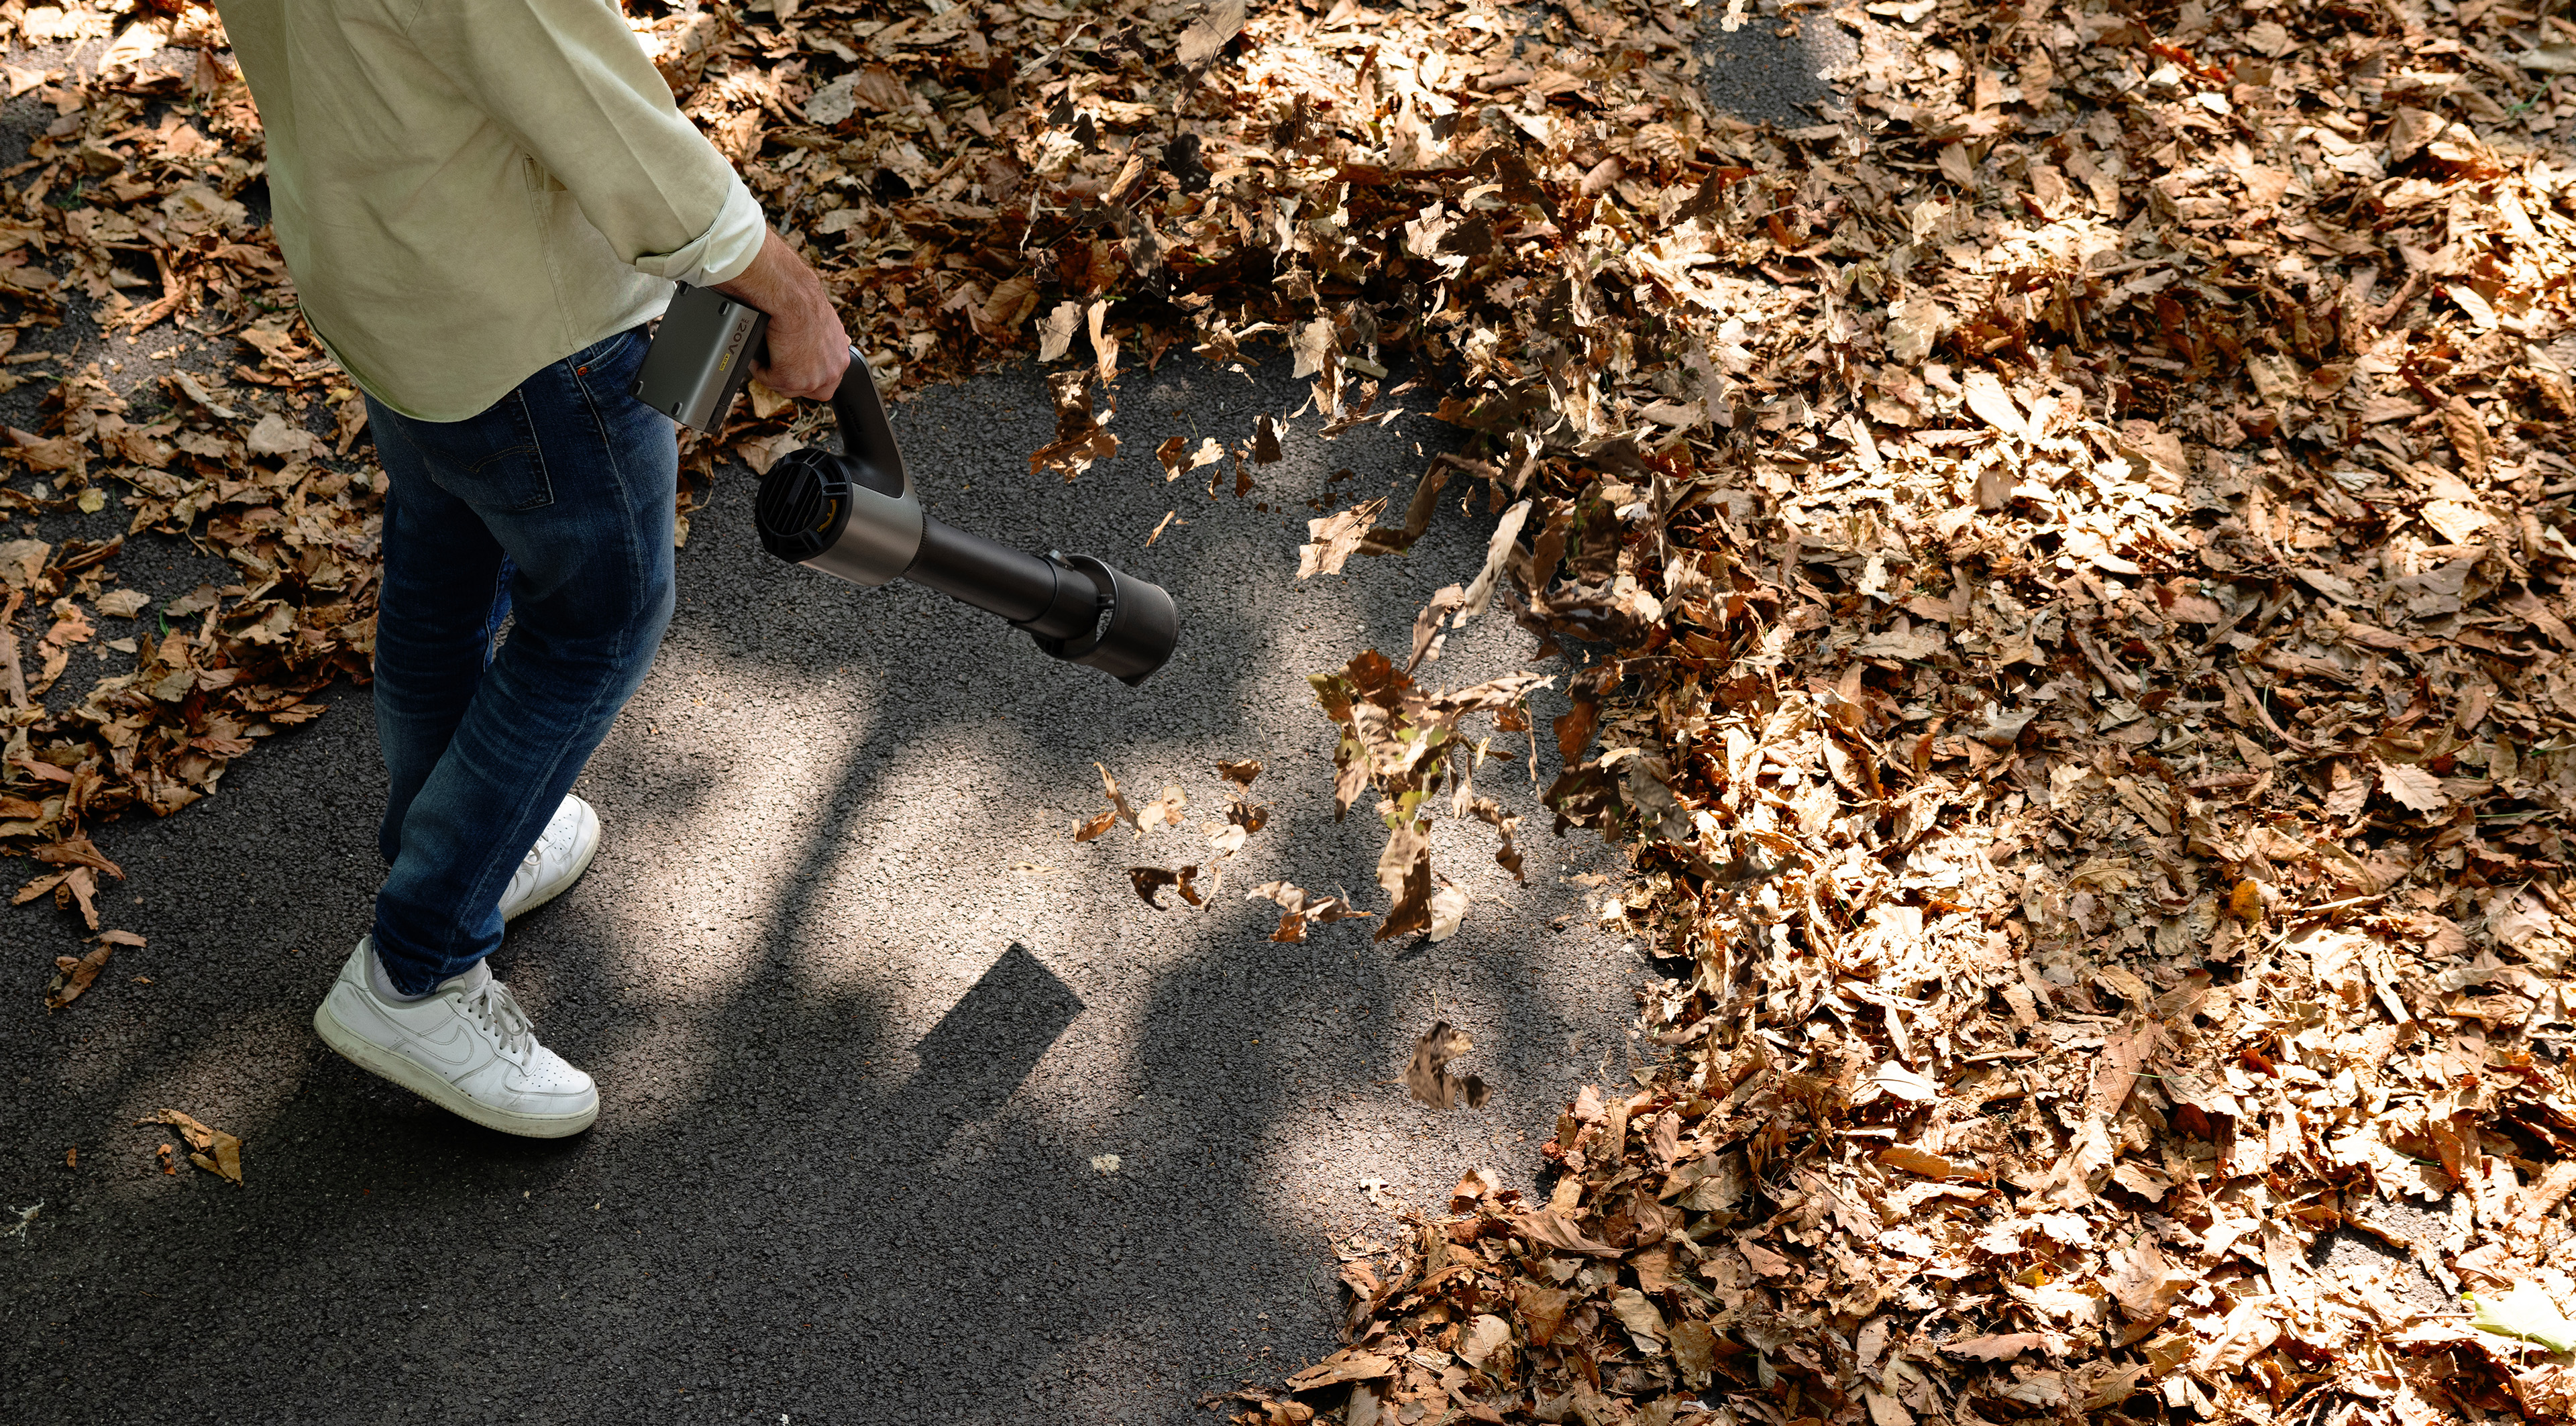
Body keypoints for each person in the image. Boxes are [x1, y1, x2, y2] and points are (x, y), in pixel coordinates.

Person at [213, 0, 851, 1137]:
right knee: (598, 622)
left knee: (443, 565)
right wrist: (791, 294)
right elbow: (609, 128)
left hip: (384, 273)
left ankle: (455, 840)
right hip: (530, 330)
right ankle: (418, 968)